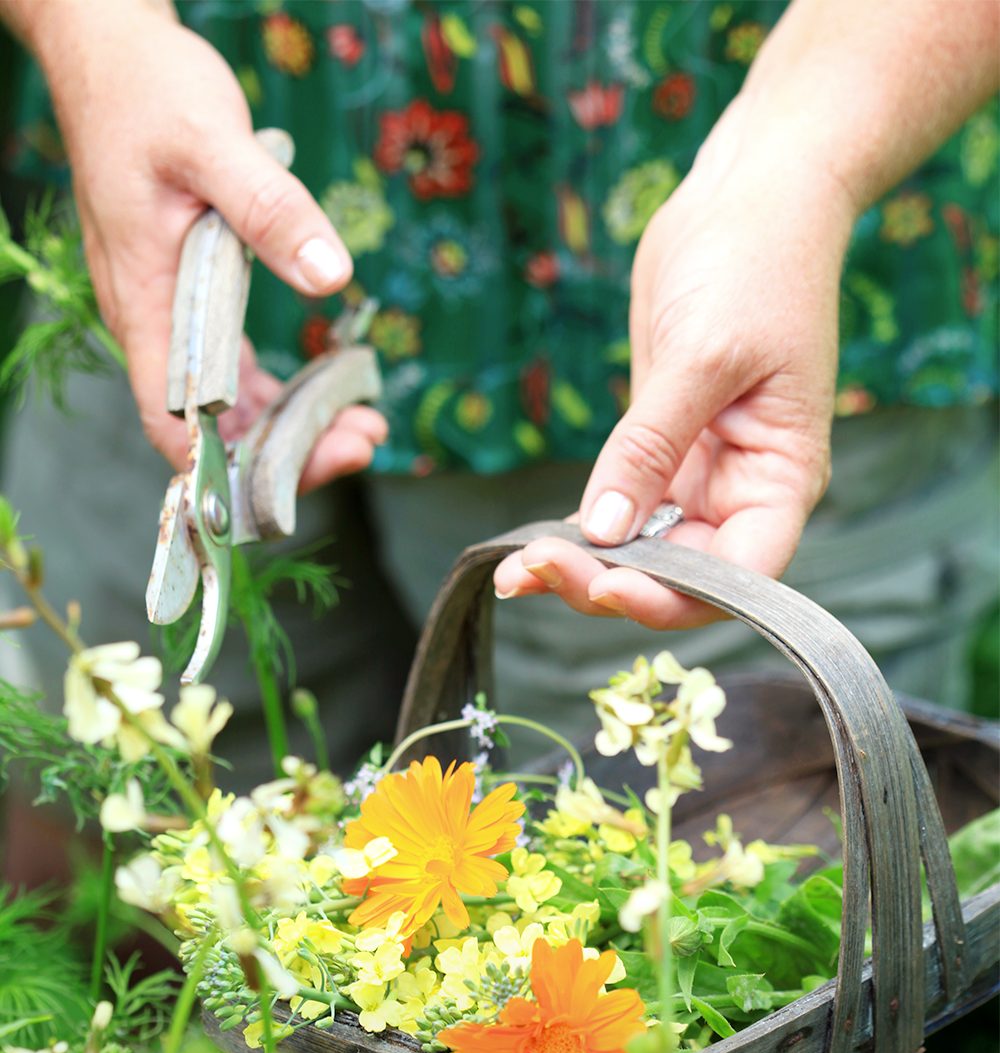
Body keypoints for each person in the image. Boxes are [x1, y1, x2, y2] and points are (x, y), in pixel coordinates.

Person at [0, 0, 997, 791]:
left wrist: (798, 166)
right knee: (207, 843)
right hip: (169, 234)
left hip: (733, 293)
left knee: (696, 922)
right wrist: (92, 31)